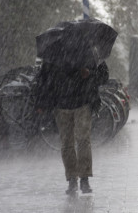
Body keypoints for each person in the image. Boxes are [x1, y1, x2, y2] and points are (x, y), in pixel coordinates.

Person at [35, 60, 109, 194]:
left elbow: (103, 77)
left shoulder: (88, 51)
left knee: (82, 141)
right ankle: (72, 179)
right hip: (61, 105)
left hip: (82, 103)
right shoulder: (55, 53)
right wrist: (41, 102)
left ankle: (84, 179)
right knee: (67, 143)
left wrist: (89, 73)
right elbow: (44, 79)